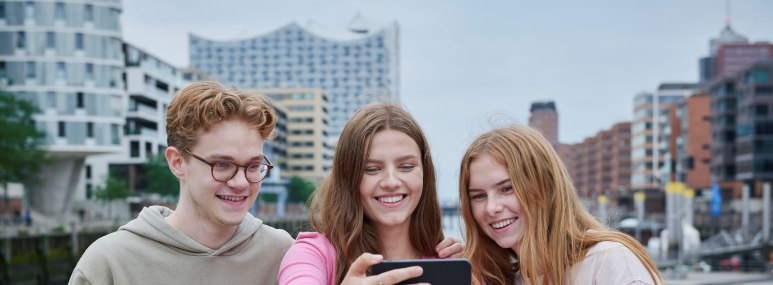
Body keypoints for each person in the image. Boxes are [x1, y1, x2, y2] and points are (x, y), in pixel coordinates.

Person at [69, 81, 293, 284]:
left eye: (253, 166)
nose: (241, 182)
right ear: (177, 162)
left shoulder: (285, 255)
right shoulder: (108, 264)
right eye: (222, 165)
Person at [278, 103, 464, 285]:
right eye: (372, 169)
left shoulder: (452, 263)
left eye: (406, 167)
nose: (391, 182)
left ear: (425, 173)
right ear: (348, 177)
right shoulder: (311, 255)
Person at [458, 125, 663, 285]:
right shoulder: (509, 280)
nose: (491, 207)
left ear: (546, 186)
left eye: (507, 188)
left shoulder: (609, 262)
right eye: (479, 196)